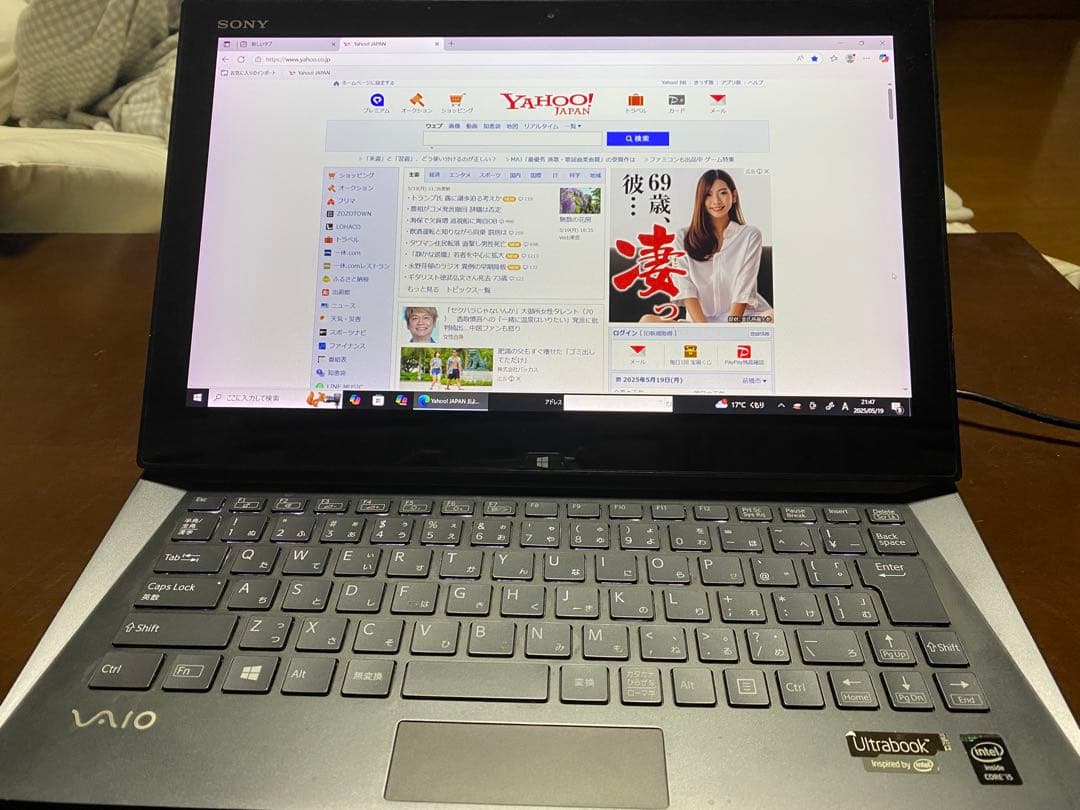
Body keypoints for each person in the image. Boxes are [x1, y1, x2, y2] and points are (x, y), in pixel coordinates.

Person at [641, 169, 772, 323]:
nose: (716, 201)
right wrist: (704, 330)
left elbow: (743, 288)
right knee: (647, 321)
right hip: (700, 321)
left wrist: (732, 329)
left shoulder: (750, 235)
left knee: (774, 316)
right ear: (701, 200)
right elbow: (685, 288)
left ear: (734, 196)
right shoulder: (682, 237)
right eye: (708, 195)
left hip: (742, 319)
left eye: (723, 193)